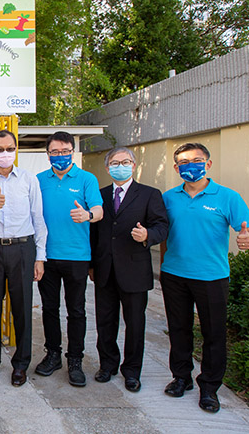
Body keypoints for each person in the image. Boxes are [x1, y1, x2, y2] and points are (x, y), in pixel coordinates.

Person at [161, 142, 249, 413]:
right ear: (176, 167)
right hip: (174, 276)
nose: (190, 165)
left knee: (213, 334)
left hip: (212, 277)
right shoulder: (168, 198)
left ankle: (209, 388)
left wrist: (248, 240)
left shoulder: (228, 197)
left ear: (208, 164)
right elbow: (163, 235)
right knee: (179, 330)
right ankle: (181, 378)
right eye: (183, 161)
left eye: (196, 160)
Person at [89, 147, 168, 393]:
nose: (119, 166)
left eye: (125, 162)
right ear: (107, 167)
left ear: (134, 165)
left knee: (134, 324)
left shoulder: (149, 194)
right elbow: (92, 232)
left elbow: (162, 225)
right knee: (104, 322)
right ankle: (107, 364)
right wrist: (91, 265)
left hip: (134, 270)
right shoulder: (98, 195)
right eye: (114, 162)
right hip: (104, 270)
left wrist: (147, 235)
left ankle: (132, 371)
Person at [0, 130, 47, 387]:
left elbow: (38, 219)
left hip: (22, 248)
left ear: (15, 149)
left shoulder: (29, 180)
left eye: (9, 148)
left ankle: (20, 364)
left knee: (22, 308)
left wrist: (40, 257)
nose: (5, 153)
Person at [35, 131, 103, 387]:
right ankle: (52, 354)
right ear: (48, 154)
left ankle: (75, 359)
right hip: (46, 256)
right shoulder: (40, 180)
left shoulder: (87, 179)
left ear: (72, 152)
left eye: (65, 151)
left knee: (76, 311)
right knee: (49, 309)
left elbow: (99, 209)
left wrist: (88, 215)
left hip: (77, 256)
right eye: (55, 152)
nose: (60, 156)